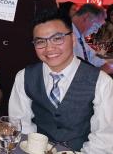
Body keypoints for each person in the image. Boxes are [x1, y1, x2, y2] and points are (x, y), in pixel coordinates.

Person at [9, 9, 113, 153]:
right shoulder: (24, 76)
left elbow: (105, 138)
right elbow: (20, 124)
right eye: (40, 41)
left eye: (57, 38)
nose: (49, 48)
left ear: (74, 39)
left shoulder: (101, 83)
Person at [71, 3, 113, 74]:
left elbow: (92, 56)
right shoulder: (67, 35)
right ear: (86, 17)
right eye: (96, 26)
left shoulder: (80, 37)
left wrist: (108, 64)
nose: (96, 31)